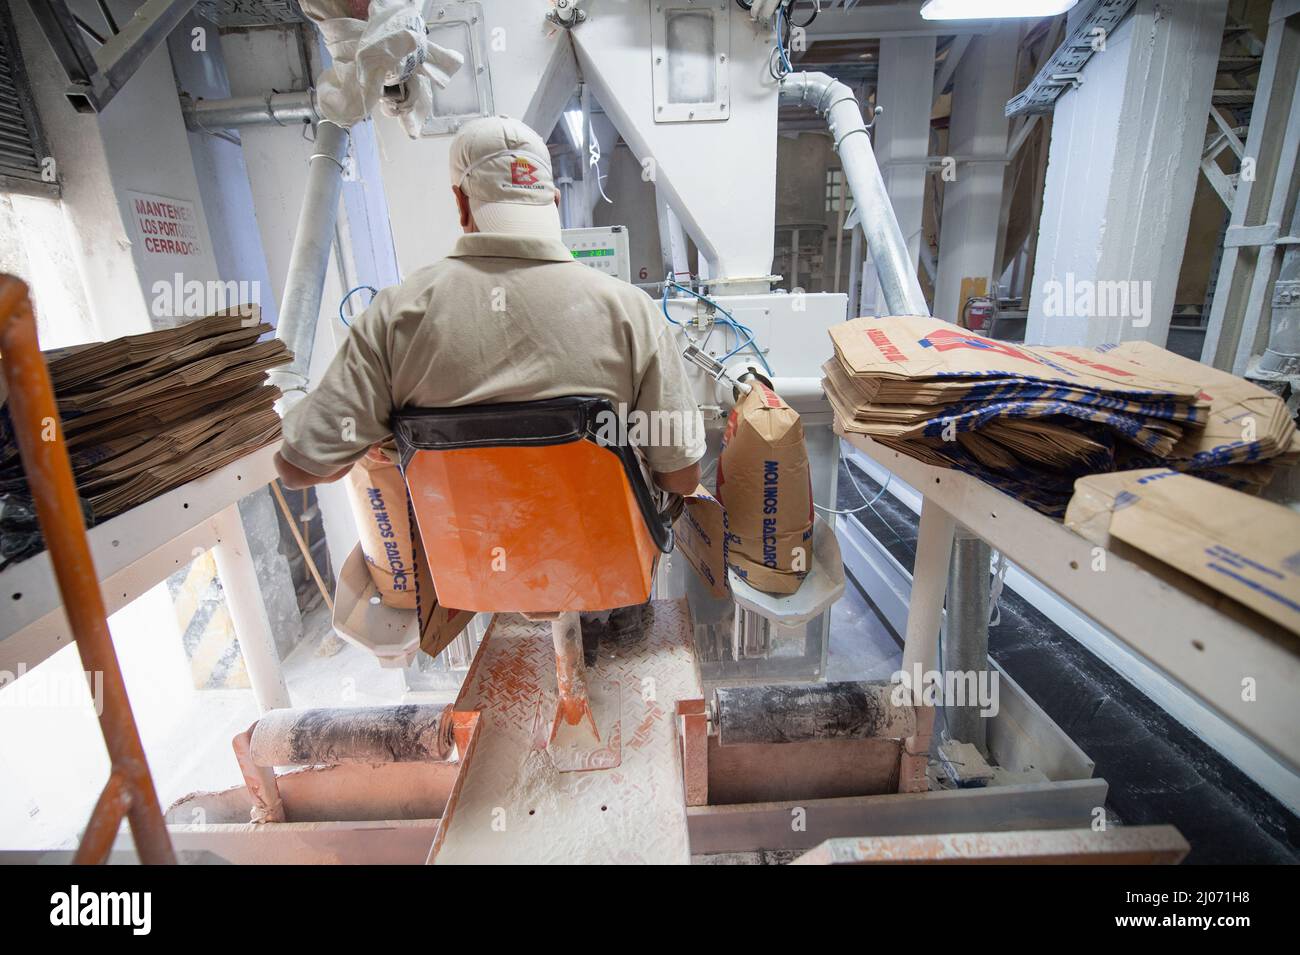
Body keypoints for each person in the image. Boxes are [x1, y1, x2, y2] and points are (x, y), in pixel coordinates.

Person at [274, 113, 705, 499]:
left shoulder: (393, 319)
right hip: (609, 580)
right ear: (554, 205)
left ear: (461, 203)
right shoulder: (633, 314)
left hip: (468, 578)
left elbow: (297, 468)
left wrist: (384, 437)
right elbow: (682, 478)